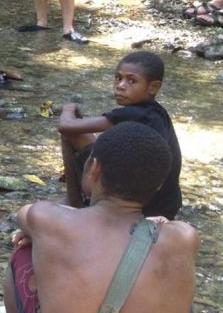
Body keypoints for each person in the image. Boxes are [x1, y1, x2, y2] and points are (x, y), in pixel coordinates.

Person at [0, 122, 198, 313]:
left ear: (94, 168)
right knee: (172, 277)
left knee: (23, 253)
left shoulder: (48, 220)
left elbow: (24, 216)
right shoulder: (184, 238)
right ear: (158, 186)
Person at [57, 51, 182, 220]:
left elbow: (66, 126)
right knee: (82, 136)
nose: (121, 85)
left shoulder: (137, 114)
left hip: (146, 206)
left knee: (70, 134)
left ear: (154, 87)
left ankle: (74, 201)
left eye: (132, 80)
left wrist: (69, 108)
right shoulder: (156, 113)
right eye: (118, 78)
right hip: (165, 203)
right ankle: (78, 200)